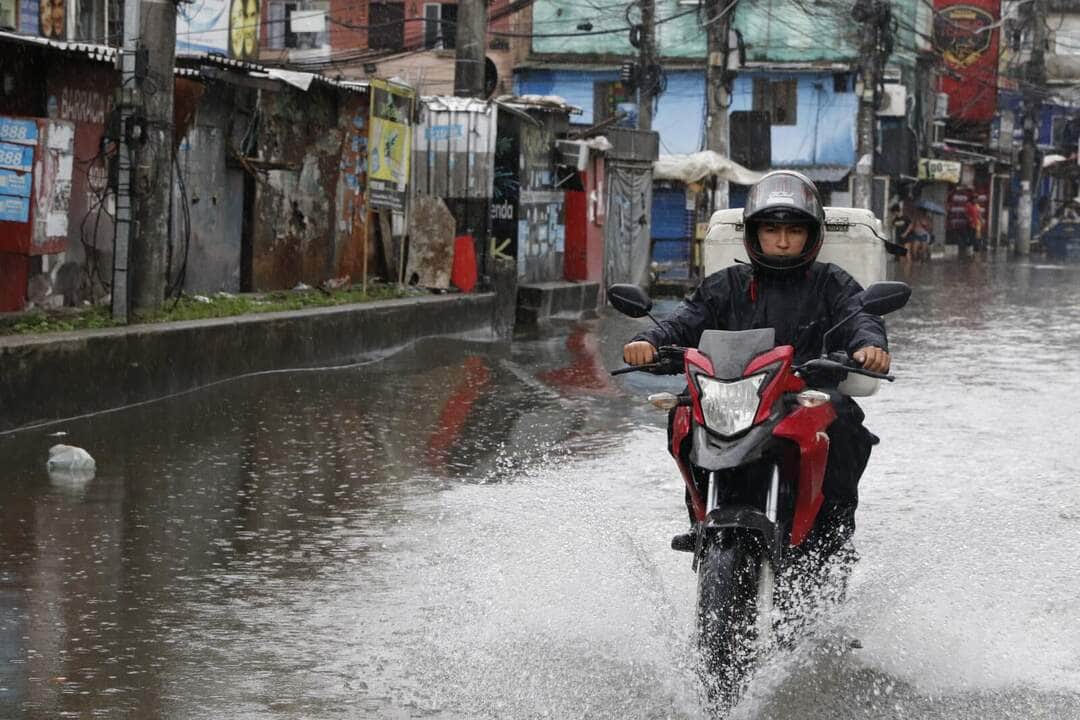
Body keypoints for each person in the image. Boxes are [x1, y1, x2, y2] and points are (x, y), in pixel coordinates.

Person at [622, 170, 890, 557]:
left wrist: (869, 347)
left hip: (802, 393)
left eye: (794, 231)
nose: (782, 241)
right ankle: (699, 517)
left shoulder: (832, 282)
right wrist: (647, 341)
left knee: (845, 424)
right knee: (682, 411)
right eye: (770, 230)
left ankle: (831, 535)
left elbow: (862, 316)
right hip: (736, 394)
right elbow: (682, 322)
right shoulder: (724, 285)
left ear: (811, 235)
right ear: (753, 234)